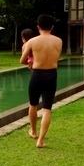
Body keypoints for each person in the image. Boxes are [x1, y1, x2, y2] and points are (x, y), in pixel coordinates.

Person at [20, 14, 63, 148]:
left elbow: (22, 60)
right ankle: (41, 141)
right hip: (51, 74)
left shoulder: (32, 41)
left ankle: (33, 131)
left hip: (37, 74)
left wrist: (30, 62)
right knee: (47, 109)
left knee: (33, 105)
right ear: (52, 27)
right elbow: (56, 58)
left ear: (38, 27)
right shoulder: (58, 41)